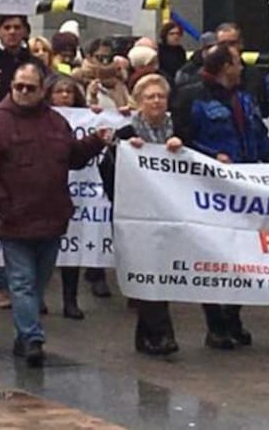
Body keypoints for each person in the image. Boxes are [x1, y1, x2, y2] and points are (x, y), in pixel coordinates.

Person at [0, 63, 110, 367]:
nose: (22, 92)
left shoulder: (56, 122)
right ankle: (33, 337)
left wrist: (95, 141)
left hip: (52, 217)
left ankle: (24, 332)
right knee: (21, 282)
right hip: (15, 220)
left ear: (40, 90)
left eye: (29, 88)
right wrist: (2, 204)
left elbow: (72, 157)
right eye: (18, 86)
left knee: (38, 281)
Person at [173, 45, 269, 349]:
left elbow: (258, 136)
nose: (241, 68)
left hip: (247, 186)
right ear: (223, 67)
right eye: (236, 63)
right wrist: (211, 156)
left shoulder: (244, 97)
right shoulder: (191, 96)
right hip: (210, 188)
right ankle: (216, 323)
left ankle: (233, 316)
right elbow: (183, 140)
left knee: (244, 255)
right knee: (215, 255)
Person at [99, 73, 184, 355]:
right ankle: (162, 335)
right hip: (137, 215)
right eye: (150, 97)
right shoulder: (126, 134)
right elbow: (106, 172)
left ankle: (147, 336)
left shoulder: (180, 130)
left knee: (162, 271)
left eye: (161, 96)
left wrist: (182, 149)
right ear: (138, 102)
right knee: (148, 271)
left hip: (171, 213)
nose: (156, 101)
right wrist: (124, 155)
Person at [45, 76, 96, 319]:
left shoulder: (86, 117)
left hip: (77, 192)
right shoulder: (40, 118)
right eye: (59, 91)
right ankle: (38, 297)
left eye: (69, 91)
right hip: (46, 190)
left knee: (72, 247)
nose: (64, 96)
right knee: (42, 249)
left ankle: (70, 300)